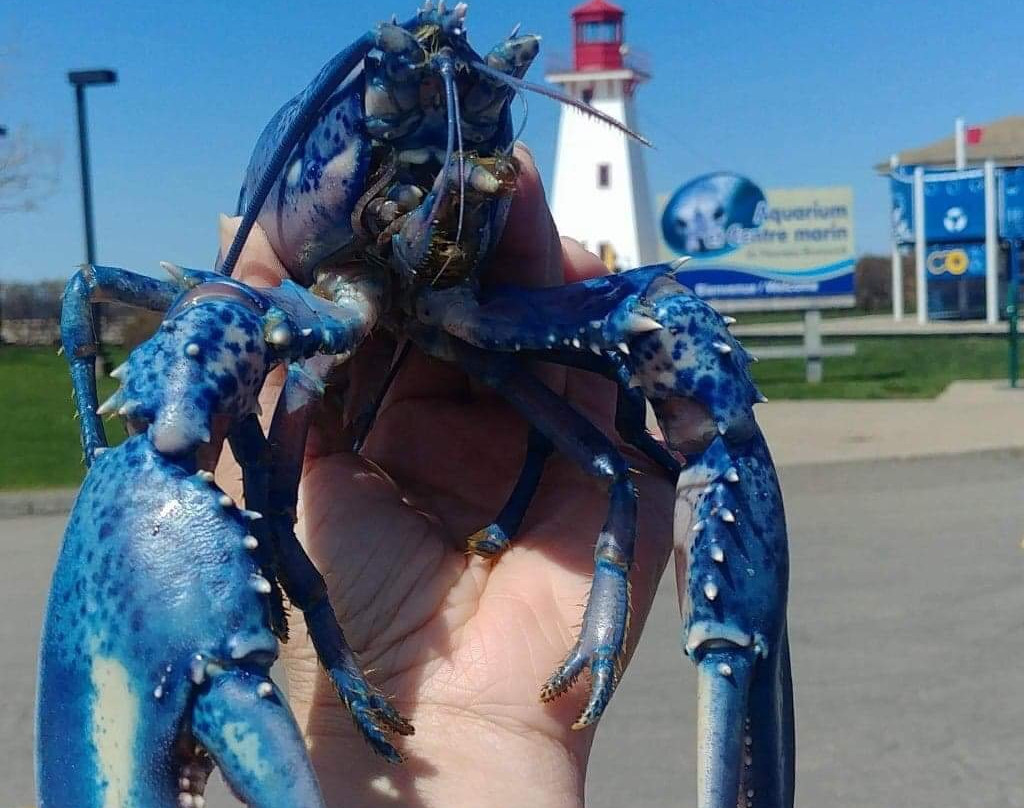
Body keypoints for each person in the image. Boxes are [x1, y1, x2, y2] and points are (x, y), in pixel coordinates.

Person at [218, 144, 676, 808]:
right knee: (272, 494)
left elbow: (612, 459)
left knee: (615, 450)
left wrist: (502, 740)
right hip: (340, 321)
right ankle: (338, 665)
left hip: (463, 320)